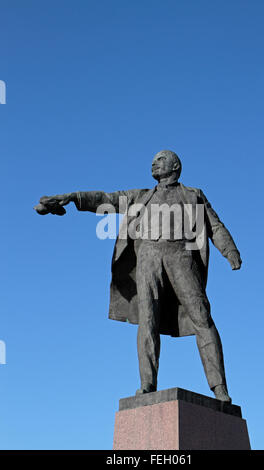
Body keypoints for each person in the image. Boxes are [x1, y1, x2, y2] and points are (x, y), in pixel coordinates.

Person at [36, 150, 242, 402]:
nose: (154, 162)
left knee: (202, 317)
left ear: (175, 166)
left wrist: (229, 250)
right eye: (154, 159)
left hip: (181, 256)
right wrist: (72, 197)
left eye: (161, 158)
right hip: (148, 258)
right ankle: (147, 385)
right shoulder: (141, 196)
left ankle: (219, 388)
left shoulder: (193, 195)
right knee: (148, 321)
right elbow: (106, 199)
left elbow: (215, 226)